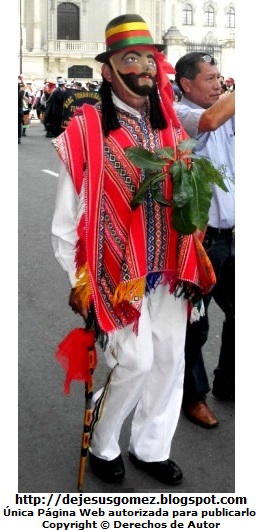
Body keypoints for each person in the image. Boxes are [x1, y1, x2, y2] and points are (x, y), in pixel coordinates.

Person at [51, 15, 215, 485]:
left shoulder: (168, 127)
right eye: (130, 58)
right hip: (114, 272)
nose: (143, 66)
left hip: (171, 266)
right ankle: (103, 443)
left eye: (148, 57)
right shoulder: (85, 129)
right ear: (108, 70)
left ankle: (150, 446)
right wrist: (79, 281)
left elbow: (189, 195)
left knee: (169, 359)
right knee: (135, 361)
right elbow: (67, 221)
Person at [174, 52, 235, 428]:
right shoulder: (182, 115)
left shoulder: (229, 114)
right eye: (210, 78)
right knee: (195, 326)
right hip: (201, 242)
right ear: (186, 84)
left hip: (234, 237)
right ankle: (193, 397)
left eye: (220, 77)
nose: (218, 84)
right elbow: (210, 121)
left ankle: (229, 382)